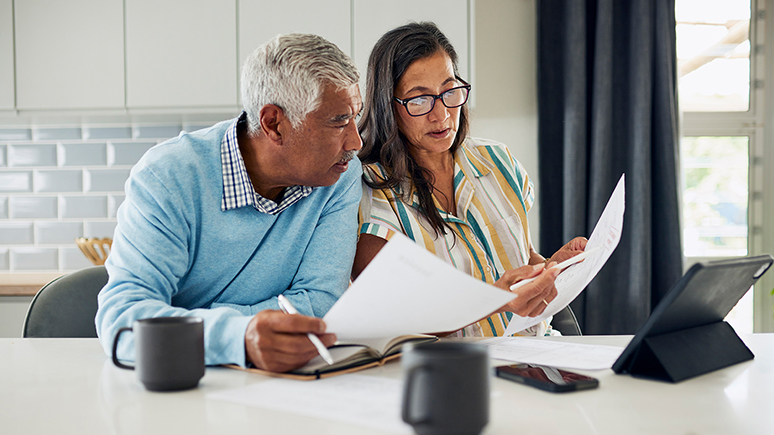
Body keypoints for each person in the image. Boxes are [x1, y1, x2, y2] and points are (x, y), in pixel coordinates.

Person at [96, 33, 363, 373]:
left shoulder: (340, 175)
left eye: (356, 116)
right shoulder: (169, 176)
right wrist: (239, 337)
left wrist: (198, 327)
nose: (355, 140)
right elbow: (124, 319)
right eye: (339, 121)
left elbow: (320, 304)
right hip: (180, 382)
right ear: (274, 124)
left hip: (281, 383)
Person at [353, 22, 586, 337]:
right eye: (419, 100)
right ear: (388, 106)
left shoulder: (498, 161)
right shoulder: (367, 195)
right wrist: (495, 301)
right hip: (455, 373)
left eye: (449, 91)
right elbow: (395, 317)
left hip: (540, 354)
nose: (442, 115)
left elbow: (522, 255)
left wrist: (550, 269)